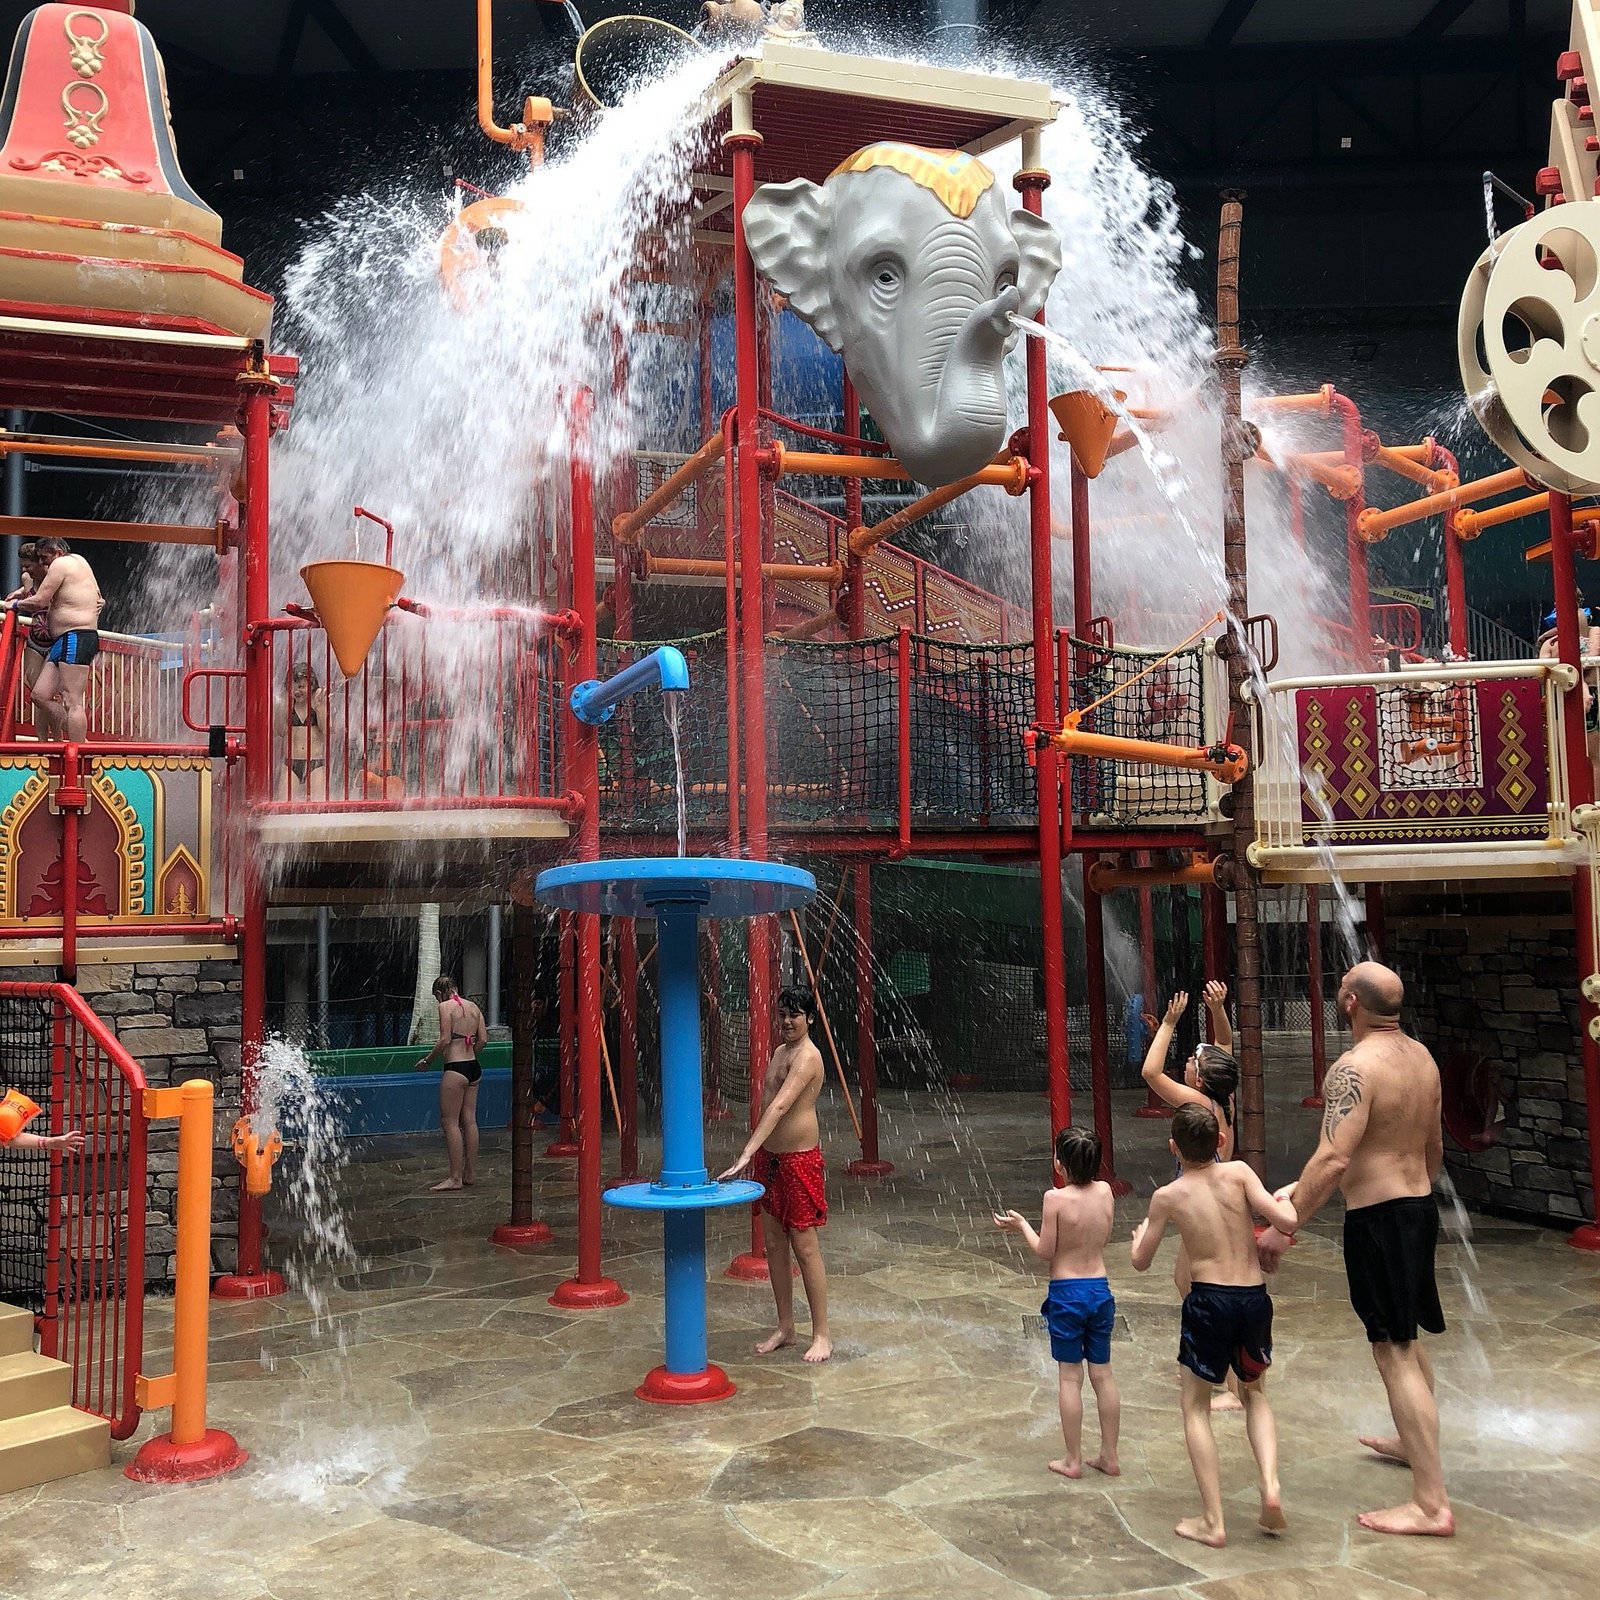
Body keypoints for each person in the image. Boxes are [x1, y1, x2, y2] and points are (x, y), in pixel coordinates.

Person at [1257, 961, 1454, 1538]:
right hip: (1417, 1210)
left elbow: (1335, 1156)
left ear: (1350, 1004)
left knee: (1392, 1349)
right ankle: (1411, 1443)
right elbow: (1433, 1148)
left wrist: (1285, 1224)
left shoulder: (1353, 1068)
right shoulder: (1422, 1059)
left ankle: (1431, 1504)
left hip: (1381, 1221)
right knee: (1405, 1337)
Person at [1132, 1103, 1299, 1548]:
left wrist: (1139, 1237)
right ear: (1220, 1141)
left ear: (1173, 1147)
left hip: (1208, 1302)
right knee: (1255, 1394)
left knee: (1195, 1406)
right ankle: (1270, 1485)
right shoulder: (1240, 1173)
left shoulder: (1168, 1196)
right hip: (1253, 1298)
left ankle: (1213, 1520)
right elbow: (1286, 1221)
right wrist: (1283, 1200)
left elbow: (1141, 1261)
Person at [994, 1125, 1121, 1480]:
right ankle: (1110, 1456)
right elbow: (1104, 1236)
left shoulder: (1055, 1199)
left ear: (1060, 1164)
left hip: (1067, 1293)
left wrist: (1023, 1226)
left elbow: (1045, 1251)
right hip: (1099, 1289)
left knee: (1070, 1377)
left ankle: (1073, 1459)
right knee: (1103, 1374)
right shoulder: (1106, 1192)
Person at [1140, 984, 1244, 1411]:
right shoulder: (1223, 1096)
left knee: (1203, 1290)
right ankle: (1219, 1367)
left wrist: (1169, 1024)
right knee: (1187, 1282)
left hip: (1204, 1205)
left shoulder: (1199, 1101)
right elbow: (1225, 1047)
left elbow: (1150, 1073)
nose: (1187, 1060)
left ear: (1199, 1079)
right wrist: (1218, 1010)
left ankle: (1232, 1383)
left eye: (1192, 1061)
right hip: (1216, 1201)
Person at [718, 983, 831, 1363]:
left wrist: (745, 1153)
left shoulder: (808, 1057)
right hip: (771, 1160)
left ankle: (822, 1334)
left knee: (805, 1246)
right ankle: (786, 1326)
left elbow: (780, 1106)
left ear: (810, 1018)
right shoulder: (781, 1052)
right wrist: (758, 1153)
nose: (786, 1021)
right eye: (782, 1015)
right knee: (774, 1242)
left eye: (794, 1015)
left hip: (798, 1161)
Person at [6, 537, 101, 742]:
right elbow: (98, 596)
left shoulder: (61, 563)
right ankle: (76, 734)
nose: (42, 563)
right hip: (63, 639)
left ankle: (78, 752)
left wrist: (14, 605)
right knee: (39, 695)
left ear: (57, 553)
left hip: (76, 635)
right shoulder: (79, 561)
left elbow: (40, 600)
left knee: (72, 700)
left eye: (44, 558)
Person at [416, 974, 487, 1192]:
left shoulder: (445, 1007)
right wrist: (470, 1055)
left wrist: (428, 1060)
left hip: (455, 1069)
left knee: (450, 1123)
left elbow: (445, 1039)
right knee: (470, 1120)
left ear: (439, 993)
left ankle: (455, 1178)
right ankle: (469, 1173)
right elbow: (483, 1039)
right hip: (474, 1068)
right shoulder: (474, 1007)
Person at [3, 542, 54, 721]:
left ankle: (58, 735)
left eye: (28, 565)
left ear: (39, 563)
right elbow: (29, 590)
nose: (24, 570)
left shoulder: (53, 578)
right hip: (35, 641)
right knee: (37, 696)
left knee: (47, 696)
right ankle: (42, 738)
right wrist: (19, 593)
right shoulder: (27, 578)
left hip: (55, 641)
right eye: (22, 566)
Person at [275, 661, 328, 798]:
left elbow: (326, 730)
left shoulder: (317, 703)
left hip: (315, 762)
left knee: (318, 804)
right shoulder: (289, 706)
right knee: (284, 803)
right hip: (292, 762)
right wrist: (281, 707)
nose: (297, 691)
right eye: (293, 688)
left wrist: (320, 707)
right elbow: (280, 731)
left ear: (312, 686)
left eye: (301, 687)